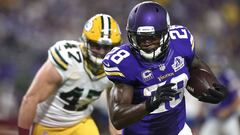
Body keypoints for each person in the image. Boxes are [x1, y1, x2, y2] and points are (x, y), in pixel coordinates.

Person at [102, 1, 227, 135]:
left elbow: (196, 64)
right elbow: (117, 118)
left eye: (153, 37)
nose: (147, 43)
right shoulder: (125, 63)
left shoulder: (181, 43)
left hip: (178, 130)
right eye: (141, 38)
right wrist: (149, 104)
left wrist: (214, 84)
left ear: (165, 33)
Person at [18, 14, 122, 135]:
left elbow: (115, 115)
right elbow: (30, 99)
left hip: (80, 123)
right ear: (85, 41)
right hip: (49, 124)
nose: (101, 52)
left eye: (107, 47)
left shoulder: (116, 69)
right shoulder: (68, 59)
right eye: (96, 45)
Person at [199, 56, 240, 135]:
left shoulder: (227, 76)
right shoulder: (207, 78)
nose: (214, 68)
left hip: (229, 118)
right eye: (212, 65)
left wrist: (227, 110)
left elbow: (238, 98)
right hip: (213, 117)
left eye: (216, 65)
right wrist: (202, 108)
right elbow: (206, 96)